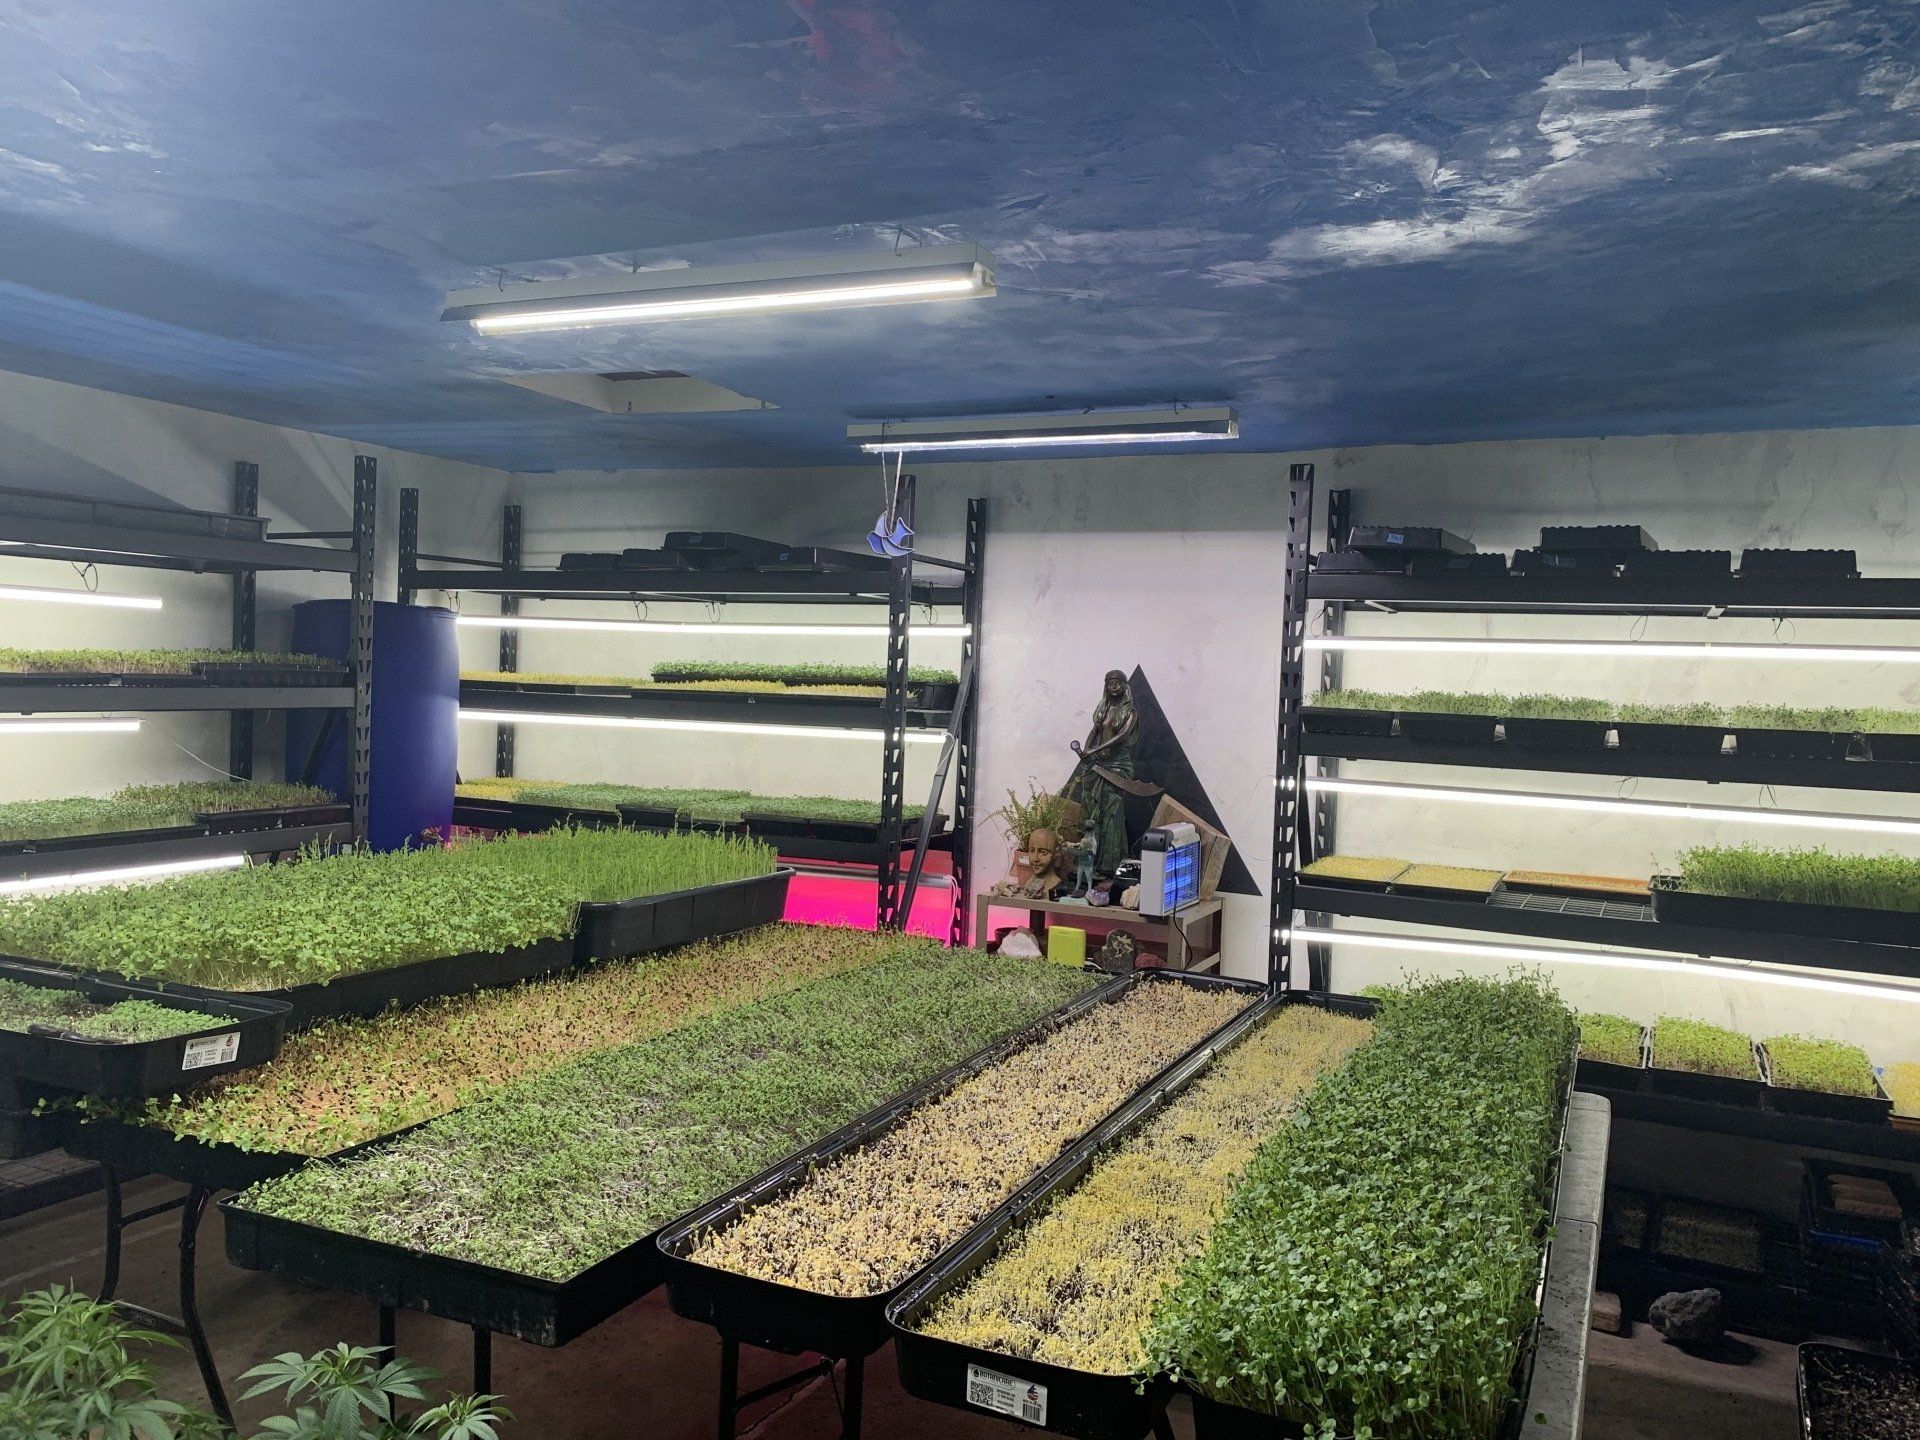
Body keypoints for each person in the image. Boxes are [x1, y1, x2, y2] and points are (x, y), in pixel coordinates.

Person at [1062, 670, 1138, 874]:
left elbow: (1121, 736)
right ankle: (1090, 862)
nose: (1114, 687)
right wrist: (1087, 750)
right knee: (1092, 807)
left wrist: (1094, 749)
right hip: (1098, 764)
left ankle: (1111, 864)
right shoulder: (1103, 708)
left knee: (1112, 809)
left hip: (1118, 765)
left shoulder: (1130, 712)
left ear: (1124, 686)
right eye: (1110, 683)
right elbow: (1095, 730)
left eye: (1117, 683)